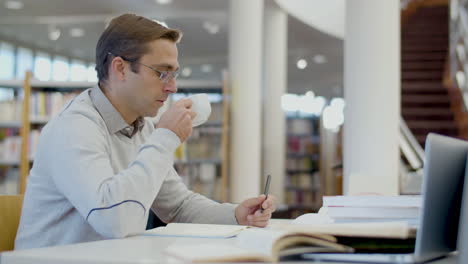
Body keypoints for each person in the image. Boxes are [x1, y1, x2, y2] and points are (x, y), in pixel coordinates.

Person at [15, 13, 276, 250]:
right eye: (162, 74)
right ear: (120, 68)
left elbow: (178, 206)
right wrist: (165, 139)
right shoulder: (74, 127)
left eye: (174, 74)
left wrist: (236, 215)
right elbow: (113, 220)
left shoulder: (141, 126)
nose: (172, 87)